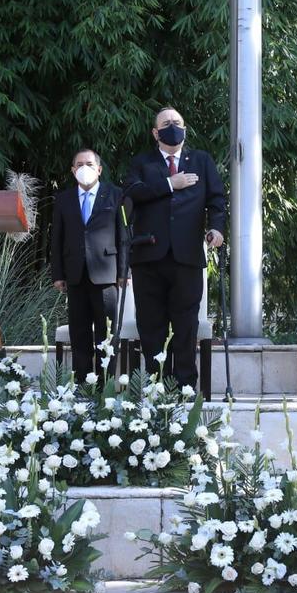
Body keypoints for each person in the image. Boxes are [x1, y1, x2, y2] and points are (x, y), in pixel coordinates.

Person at [124, 106, 226, 389]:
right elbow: (132, 195)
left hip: (187, 256)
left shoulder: (201, 161)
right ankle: (155, 386)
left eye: (178, 122)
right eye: (167, 123)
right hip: (148, 256)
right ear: (156, 132)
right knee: (151, 326)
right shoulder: (142, 163)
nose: (173, 126)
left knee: (185, 325)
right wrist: (170, 183)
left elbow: (217, 200)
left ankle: (184, 387)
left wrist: (216, 228)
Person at [51, 148, 129, 382]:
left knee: (106, 334)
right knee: (79, 332)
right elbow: (57, 238)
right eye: (80, 164)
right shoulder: (63, 199)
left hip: (107, 274)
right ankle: (83, 386)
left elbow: (124, 235)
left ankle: (105, 385)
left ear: (99, 169)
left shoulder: (115, 195)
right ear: (73, 170)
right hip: (75, 275)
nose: (85, 168)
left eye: (89, 163)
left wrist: (124, 271)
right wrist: (58, 274)